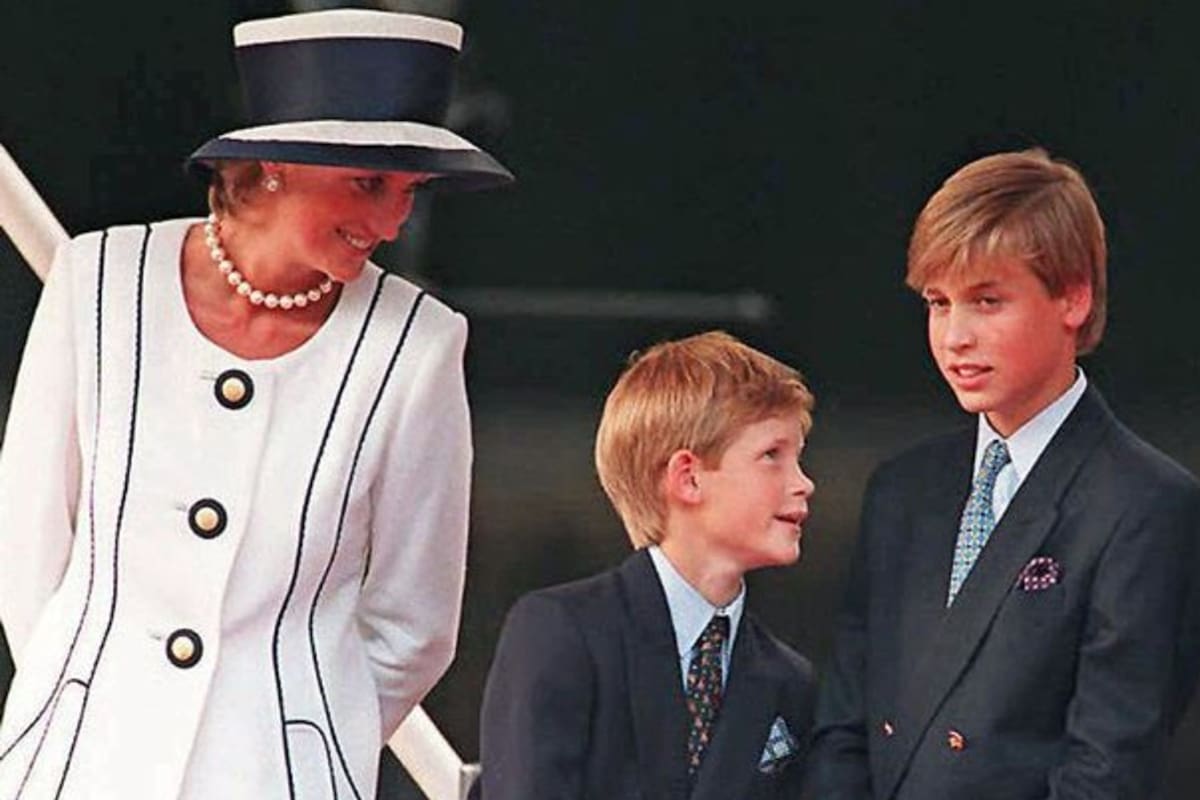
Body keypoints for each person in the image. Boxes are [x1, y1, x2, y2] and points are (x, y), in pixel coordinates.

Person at [0, 8, 512, 798]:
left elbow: (415, 623)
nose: (391, 222)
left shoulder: (418, 343)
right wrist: (80, 704)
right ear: (274, 162)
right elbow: (27, 544)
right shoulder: (97, 281)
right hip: (75, 764)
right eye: (368, 183)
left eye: (410, 190)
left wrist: (303, 740)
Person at [807, 149, 1200, 799]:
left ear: (1073, 297)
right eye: (938, 303)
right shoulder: (902, 491)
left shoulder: (1144, 505)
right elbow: (845, 728)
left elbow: (1108, 769)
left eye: (987, 301)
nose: (955, 336)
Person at [472, 331, 816, 800]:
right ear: (688, 478)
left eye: (798, 457)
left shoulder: (789, 681)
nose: (804, 483)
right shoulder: (561, 632)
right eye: (772, 455)